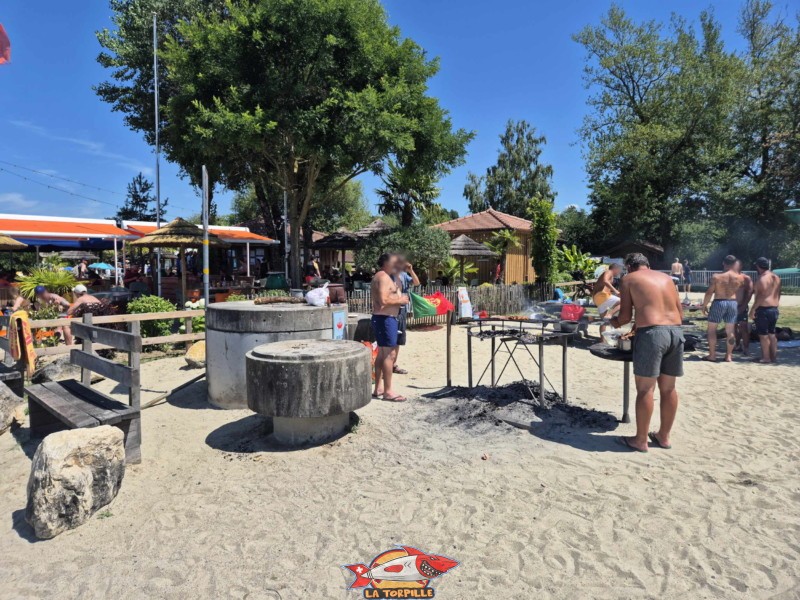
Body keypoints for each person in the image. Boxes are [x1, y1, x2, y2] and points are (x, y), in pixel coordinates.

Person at [610, 253, 684, 452]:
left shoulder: (629, 279)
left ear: (629, 267)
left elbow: (625, 317)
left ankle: (641, 440)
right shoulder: (667, 278)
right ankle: (664, 437)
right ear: (647, 265)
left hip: (652, 336)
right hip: (676, 333)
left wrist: (612, 321)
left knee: (645, 390)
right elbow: (680, 312)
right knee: (669, 389)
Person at [370, 253, 409, 402]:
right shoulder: (383, 277)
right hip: (385, 319)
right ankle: (388, 392)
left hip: (384, 319)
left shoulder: (383, 276)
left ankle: (379, 388)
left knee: (382, 354)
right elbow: (383, 301)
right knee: (389, 355)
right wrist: (401, 300)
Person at [702, 255, 744, 362]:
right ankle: (729, 356)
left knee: (712, 330)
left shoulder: (717, 277)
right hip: (732, 303)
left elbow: (709, 292)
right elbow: (740, 293)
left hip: (719, 302)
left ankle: (712, 355)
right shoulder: (739, 277)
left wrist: (704, 305)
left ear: (723, 263)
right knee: (730, 331)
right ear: (734, 264)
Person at [749, 257, 781, 364]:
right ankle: (773, 357)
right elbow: (778, 293)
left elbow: (761, 296)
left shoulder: (762, 278)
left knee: (763, 335)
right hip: (774, 309)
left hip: (763, 309)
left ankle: (766, 358)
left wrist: (753, 310)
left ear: (758, 266)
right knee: (772, 334)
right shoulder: (776, 277)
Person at [392, 255, 420, 376]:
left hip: (402, 309)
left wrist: (411, 271)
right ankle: (387, 364)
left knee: (399, 338)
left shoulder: (404, 275)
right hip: (391, 308)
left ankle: (394, 364)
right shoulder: (388, 275)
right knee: (390, 337)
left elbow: (417, 283)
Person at [592, 263, 622, 334]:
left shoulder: (610, 275)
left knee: (604, 321)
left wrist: (613, 293)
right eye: (619, 270)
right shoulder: (609, 272)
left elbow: (605, 286)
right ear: (615, 268)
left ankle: (602, 339)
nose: (619, 272)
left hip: (597, 298)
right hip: (601, 296)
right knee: (624, 302)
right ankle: (610, 314)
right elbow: (605, 281)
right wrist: (616, 291)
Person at [733, 260, 753, 355]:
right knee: (733, 327)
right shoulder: (729, 277)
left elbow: (750, 292)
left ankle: (746, 348)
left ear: (741, 266)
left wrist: (744, 305)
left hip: (741, 306)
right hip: (731, 306)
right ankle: (737, 345)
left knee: (743, 327)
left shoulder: (745, 278)